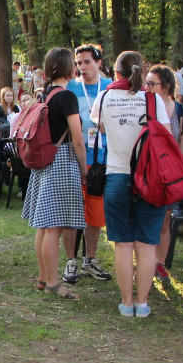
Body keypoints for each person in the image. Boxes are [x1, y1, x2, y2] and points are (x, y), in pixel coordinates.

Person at [92, 51, 169, 316]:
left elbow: (101, 128)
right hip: (150, 177)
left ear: (116, 72)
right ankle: (142, 303)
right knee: (146, 244)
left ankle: (126, 303)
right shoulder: (153, 99)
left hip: (117, 176)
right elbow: (166, 135)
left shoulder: (104, 97)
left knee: (123, 245)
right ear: (141, 71)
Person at [24, 47, 86, 300]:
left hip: (44, 160)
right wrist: (84, 170)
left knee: (44, 226)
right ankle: (53, 283)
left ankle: (43, 278)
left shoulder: (45, 94)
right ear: (69, 68)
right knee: (54, 228)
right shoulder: (67, 96)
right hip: (61, 161)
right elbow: (78, 139)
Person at [63, 44, 113, 283]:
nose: (82, 67)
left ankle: (89, 259)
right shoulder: (71, 87)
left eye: (87, 62)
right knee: (73, 211)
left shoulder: (110, 87)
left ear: (99, 63)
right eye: (79, 63)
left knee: (95, 213)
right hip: (75, 156)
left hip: (102, 158)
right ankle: (70, 261)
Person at [145, 64, 183, 282]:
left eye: (151, 84)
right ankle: (144, 263)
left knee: (165, 220)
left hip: (169, 173)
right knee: (146, 219)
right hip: (147, 171)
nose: (147, 87)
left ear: (165, 86)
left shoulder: (181, 111)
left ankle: (159, 263)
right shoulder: (144, 105)